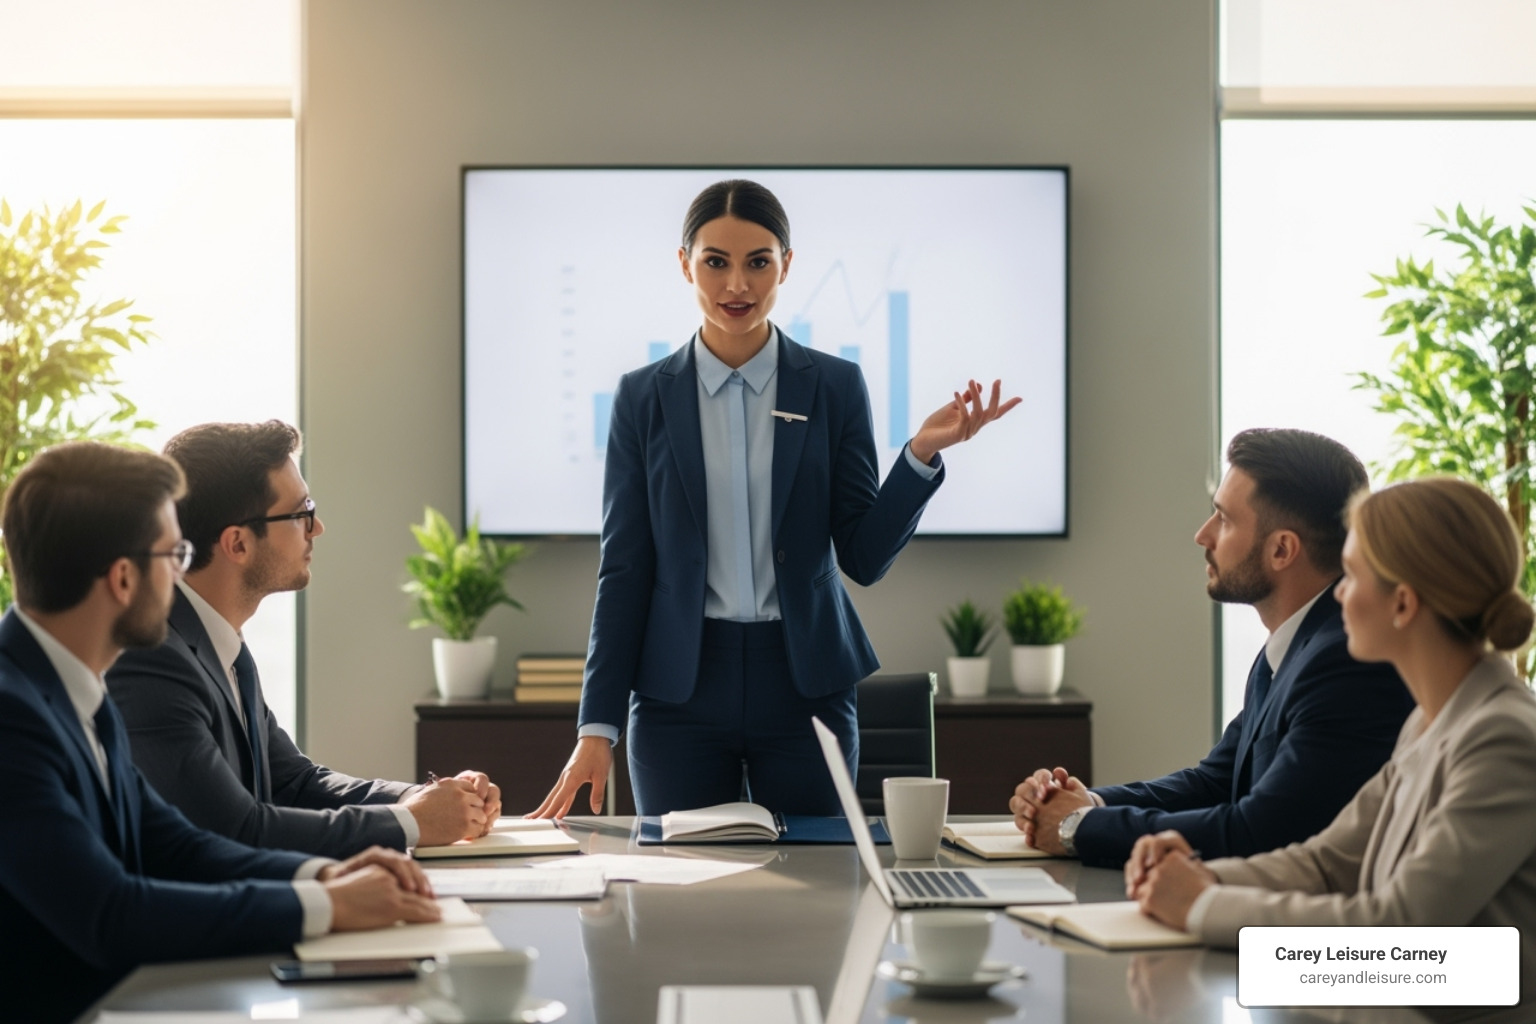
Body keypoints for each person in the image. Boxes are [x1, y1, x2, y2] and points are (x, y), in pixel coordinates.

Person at [531, 179, 1018, 817]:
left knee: (820, 891)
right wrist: (596, 730)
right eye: (716, 262)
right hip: (678, 694)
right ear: (685, 265)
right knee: (678, 900)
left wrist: (920, 455)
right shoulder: (642, 397)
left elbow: (864, 557)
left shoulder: (835, 386)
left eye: (759, 261)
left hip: (804, 685)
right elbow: (623, 572)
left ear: (786, 264)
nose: (738, 285)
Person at [0, 442, 440, 1024]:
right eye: (174, 552)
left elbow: (176, 845)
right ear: (125, 579)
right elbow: (111, 912)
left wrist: (325, 873)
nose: (184, 571)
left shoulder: (79, 690)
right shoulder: (12, 716)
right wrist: (322, 905)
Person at [1131, 477, 1536, 1024]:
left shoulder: (1502, 738)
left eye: (1353, 576)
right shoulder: (1429, 720)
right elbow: (1327, 862)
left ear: (1402, 604)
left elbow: (1398, 931)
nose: (1339, 592)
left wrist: (1202, 905)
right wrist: (1197, 874)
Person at [1011, 428, 1414, 866]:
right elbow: (1215, 782)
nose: (1203, 535)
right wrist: (1085, 802)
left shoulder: (1345, 662)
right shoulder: (1291, 648)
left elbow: (1260, 830)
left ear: (1282, 549)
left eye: (1223, 519)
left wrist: (1077, 827)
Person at [107, 421, 500, 858]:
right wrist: (411, 823)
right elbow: (235, 830)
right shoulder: (153, 656)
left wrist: (430, 800)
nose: (317, 529)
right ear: (237, 544)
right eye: (302, 513)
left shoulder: (217, 642)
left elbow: (293, 783)